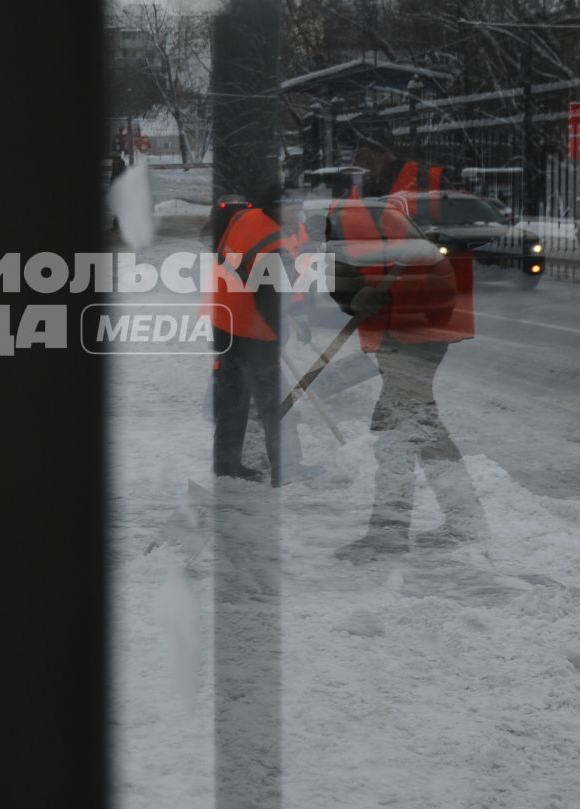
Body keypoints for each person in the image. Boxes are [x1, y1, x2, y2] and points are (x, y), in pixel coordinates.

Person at [330, 124, 485, 563]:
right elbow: (349, 256)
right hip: (390, 325)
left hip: (423, 324)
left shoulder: (428, 185)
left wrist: (404, 280)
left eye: (363, 149)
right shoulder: (361, 195)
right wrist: (350, 293)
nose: (358, 160)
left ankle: (391, 531)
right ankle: (462, 521)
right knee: (420, 427)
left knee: (401, 429)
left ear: (381, 148)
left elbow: (453, 248)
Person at [203, 170, 320, 487]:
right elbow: (269, 298)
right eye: (293, 208)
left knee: (233, 400)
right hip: (251, 332)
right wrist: (278, 334)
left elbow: (228, 260)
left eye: (300, 208)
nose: (298, 215)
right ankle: (288, 467)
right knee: (276, 404)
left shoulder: (244, 218)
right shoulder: (273, 241)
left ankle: (225, 464)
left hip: (223, 321)